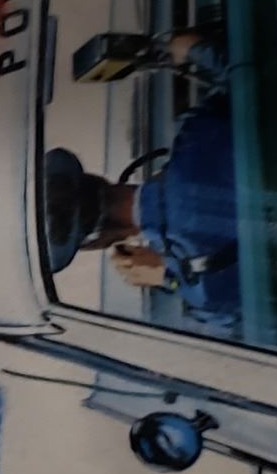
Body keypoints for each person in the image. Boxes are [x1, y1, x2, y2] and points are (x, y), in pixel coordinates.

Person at [44, 100, 241, 328]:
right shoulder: (198, 130)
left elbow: (240, 327)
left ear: (100, 241)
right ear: (99, 179)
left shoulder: (201, 288)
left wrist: (167, 277)